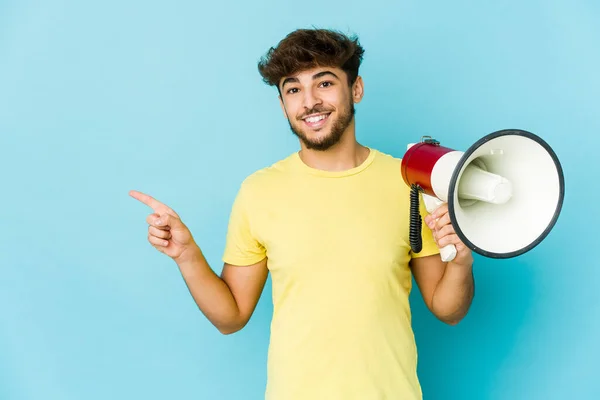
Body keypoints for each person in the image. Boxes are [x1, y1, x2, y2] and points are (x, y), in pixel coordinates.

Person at [130, 28, 474, 400]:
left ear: (356, 89)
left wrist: (460, 261)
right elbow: (231, 317)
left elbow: (448, 310)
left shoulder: (408, 181)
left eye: (324, 83)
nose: (309, 102)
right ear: (283, 104)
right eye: (293, 89)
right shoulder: (259, 192)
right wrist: (187, 255)